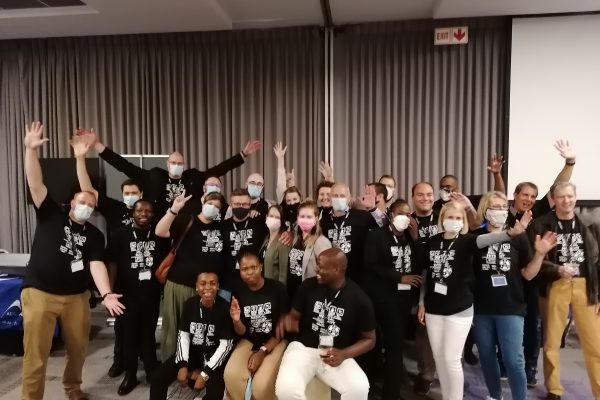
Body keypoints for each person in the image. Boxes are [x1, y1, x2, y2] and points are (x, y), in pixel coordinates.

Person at [21, 122, 124, 400]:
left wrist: (106, 293)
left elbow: (96, 265)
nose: (87, 207)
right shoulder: (50, 213)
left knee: (78, 349)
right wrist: (30, 150)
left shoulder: (94, 235)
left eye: (91, 204)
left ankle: (73, 387)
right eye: (82, 202)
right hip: (40, 292)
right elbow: (35, 183)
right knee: (36, 353)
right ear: (72, 202)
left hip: (77, 297)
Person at [416, 201, 530, 400]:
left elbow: (489, 238)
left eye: (458, 218)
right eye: (450, 217)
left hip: (459, 309)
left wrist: (511, 233)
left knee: (451, 360)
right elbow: (426, 273)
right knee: (439, 358)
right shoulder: (432, 242)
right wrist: (421, 302)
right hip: (434, 308)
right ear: (442, 219)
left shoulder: (467, 241)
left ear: (463, 222)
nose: (454, 221)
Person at [472, 191, 557, 400]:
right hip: (481, 309)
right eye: (495, 207)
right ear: (485, 210)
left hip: (511, 306)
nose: (500, 211)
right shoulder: (475, 237)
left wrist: (539, 254)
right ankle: (495, 395)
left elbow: (528, 274)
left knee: (513, 360)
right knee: (486, 357)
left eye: (503, 207)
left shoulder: (518, 237)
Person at [72, 134, 143, 378]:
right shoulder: (115, 208)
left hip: (140, 272)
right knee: (119, 318)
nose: (130, 195)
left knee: (140, 319)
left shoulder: (146, 213)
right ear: (122, 194)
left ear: (141, 194)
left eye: (134, 192)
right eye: (127, 192)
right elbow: (87, 189)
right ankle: (118, 359)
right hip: (116, 270)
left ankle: (138, 355)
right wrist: (80, 158)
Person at [506, 139, 576, 387]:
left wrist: (570, 162)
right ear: (515, 195)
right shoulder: (501, 213)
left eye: (533, 196)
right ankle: (505, 362)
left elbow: (557, 185)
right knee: (506, 321)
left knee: (532, 324)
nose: (529, 199)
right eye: (524, 195)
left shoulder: (537, 212)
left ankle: (530, 367)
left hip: (532, 277)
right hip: (506, 278)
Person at [79, 128, 260, 218]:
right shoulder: (154, 176)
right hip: (158, 226)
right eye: (173, 163)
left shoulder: (193, 178)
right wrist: (97, 145)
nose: (176, 165)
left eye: (179, 163)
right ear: (167, 163)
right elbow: (124, 165)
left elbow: (219, 170)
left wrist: (242, 155)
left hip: (185, 227)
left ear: (184, 165)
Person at [529, 182, 600, 400]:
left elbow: (598, 262)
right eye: (561, 197)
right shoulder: (540, 224)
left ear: (576, 197)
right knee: (551, 342)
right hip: (555, 284)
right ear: (553, 199)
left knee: (595, 344)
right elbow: (534, 260)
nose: (566, 201)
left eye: (570, 196)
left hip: (585, 286)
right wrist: (557, 269)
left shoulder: (590, 224)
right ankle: (554, 389)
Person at [275, 248, 376, 400]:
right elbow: (294, 316)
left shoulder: (359, 299)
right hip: (303, 348)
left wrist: (344, 354)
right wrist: (287, 320)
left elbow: (369, 339)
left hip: (335, 353)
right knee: (286, 390)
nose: (316, 269)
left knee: (359, 387)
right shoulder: (307, 286)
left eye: (321, 266)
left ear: (337, 269)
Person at [106, 199, 169, 395]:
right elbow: (113, 264)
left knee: (148, 333)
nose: (144, 214)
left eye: (148, 211)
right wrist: (109, 291)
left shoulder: (159, 236)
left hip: (151, 293)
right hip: (126, 294)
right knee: (129, 336)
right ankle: (130, 374)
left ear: (153, 214)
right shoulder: (119, 235)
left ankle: (151, 370)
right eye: (140, 210)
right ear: (133, 213)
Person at [155, 190, 226, 361]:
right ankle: (171, 364)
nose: (213, 207)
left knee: (199, 332)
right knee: (175, 328)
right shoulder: (186, 220)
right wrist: (174, 209)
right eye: (210, 203)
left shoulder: (220, 227)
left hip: (206, 289)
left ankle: (194, 364)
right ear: (203, 202)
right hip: (181, 284)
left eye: (217, 206)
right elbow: (160, 231)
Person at [362, 199, 421, 400]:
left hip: (403, 300)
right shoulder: (376, 236)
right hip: (381, 297)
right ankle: (371, 387)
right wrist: (399, 277)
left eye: (408, 214)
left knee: (396, 346)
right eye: (401, 213)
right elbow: (371, 264)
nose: (405, 217)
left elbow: (421, 263)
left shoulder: (411, 237)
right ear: (391, 215)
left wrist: (416, 238)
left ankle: (392, 392)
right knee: (379, 344)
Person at [150, 272, 234, 400]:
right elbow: (183, 336)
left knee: (215, 394)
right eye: (203, 283)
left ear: (218, 286)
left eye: (212, 283)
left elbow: (225, 346)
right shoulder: (189, 304)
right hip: (192, 354)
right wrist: (182, 365)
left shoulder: (225, 308)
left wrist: (205, 374)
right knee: (157, 377)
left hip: (214, 359)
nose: (207, 287)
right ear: (196, 286)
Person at [224, 252, 288, 400]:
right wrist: (236, 320)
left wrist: (262, 351)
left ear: (261, 267)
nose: (249, 272)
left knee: (261, 386)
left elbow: (282, 328)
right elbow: (241, 332)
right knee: (231, 375)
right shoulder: (238, 291)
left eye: (253, 267)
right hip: (250, 340)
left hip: (275, 340)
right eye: (244, 269)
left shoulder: (277, 289)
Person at [410, 182, 439, 394]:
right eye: (420, 195)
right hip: (416, 279)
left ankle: (449, 372)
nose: (425, 198)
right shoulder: (408, 220)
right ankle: (426, 374)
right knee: (423, 330)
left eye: (429, 194)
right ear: (413, 197)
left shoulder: (443, 217)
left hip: (442, 279)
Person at [319, 182, 378, 283]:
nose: (339, 198)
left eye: (342, 196)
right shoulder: (323, 221)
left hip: (357, 276)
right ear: (330, 198)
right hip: (332, 276)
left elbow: (384, 227)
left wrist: (373, 209)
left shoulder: (362, 216)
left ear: (349, 198)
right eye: (335, 196)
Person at [221, 189, 268, 292]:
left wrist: (289, 234)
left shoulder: (259, 223)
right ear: (231, 204)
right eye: (237, 204)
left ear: (250, 204)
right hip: (229, 281)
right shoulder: (223, 226)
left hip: (253, 279)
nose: (241, 207)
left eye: (245, 204)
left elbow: (276, 232)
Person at [286, 200, 332, 300]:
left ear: (315, 219)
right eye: (302, 216)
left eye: (309, 217)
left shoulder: (321, 241)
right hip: (292, 292)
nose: (305, 220)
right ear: (297, 218)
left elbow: (327, 273)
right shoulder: (296, 239)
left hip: (310, 294)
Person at [432, 153, 505, 212]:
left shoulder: (469, 202)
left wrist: (497, 174)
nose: (444, 189)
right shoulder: (434, 206)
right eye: (442, 186)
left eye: (448, 186)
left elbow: (498, 196)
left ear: (457, 189)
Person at [261, 205, 291, 284]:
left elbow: (283, 274)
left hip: (274, 287)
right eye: (271, 216)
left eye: (277, 217)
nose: (273, 219)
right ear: (266, 217)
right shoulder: (266, 238)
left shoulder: (283, 241)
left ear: (281, 221)